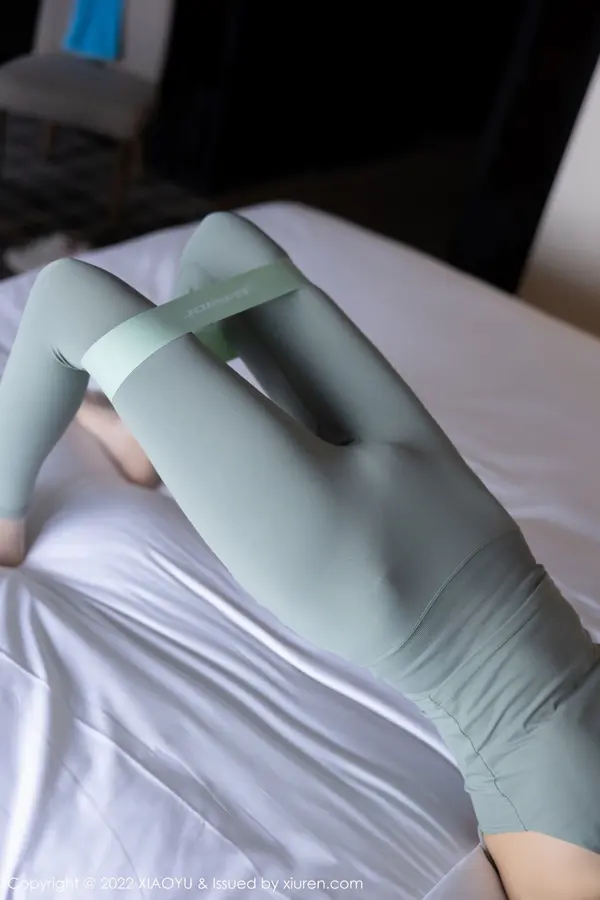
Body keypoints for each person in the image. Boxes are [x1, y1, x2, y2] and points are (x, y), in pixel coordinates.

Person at [0, 212, 599, 900]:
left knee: (109, 288)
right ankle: (132, 438)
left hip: (393, 569)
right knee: (225, 256)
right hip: (448, 534)